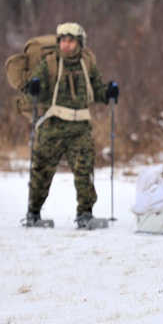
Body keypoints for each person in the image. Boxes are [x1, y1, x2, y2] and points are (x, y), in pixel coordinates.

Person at [23, 22, 117, 229]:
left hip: (80, 128)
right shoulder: (49, 63)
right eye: (63, 41)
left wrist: (108, 92)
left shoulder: (88, 63)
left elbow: (97, 90)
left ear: (79, 43)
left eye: (71, 41)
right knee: (42, 171)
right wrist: (34, 87)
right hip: (53, 127)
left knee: (84, 171)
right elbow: (32, 93)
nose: (66, 45)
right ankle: (33, 213)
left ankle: (85, 214)